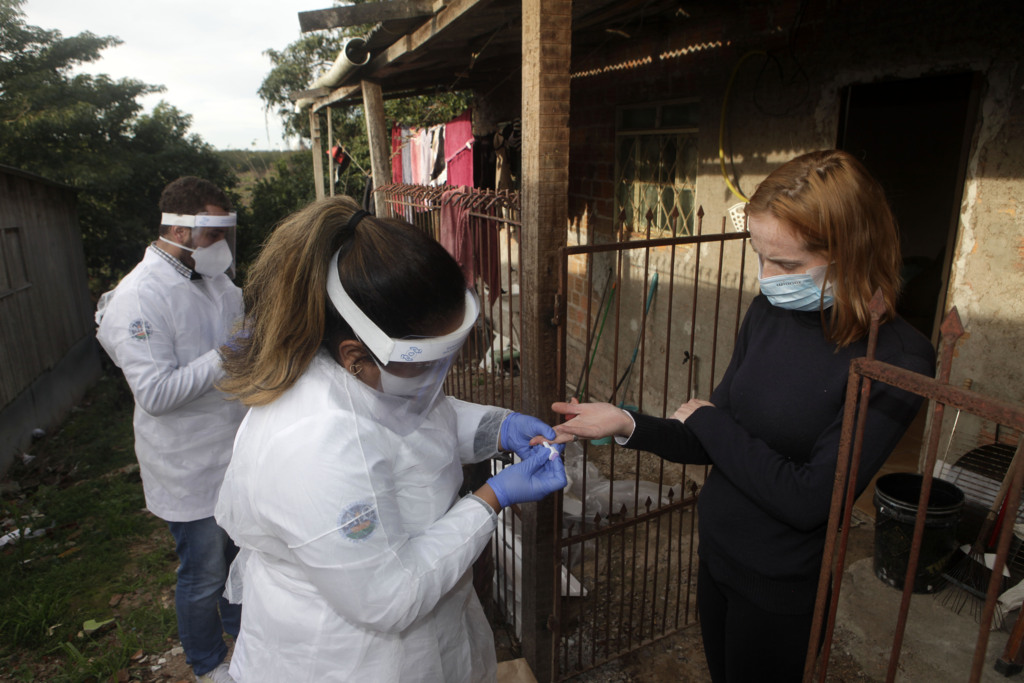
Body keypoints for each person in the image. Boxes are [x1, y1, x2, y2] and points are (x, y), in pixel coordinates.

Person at [547, 150, 936, 682]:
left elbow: (809, 499)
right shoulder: (770, 311)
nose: (768, 277)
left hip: (780, 587)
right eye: (760, 255)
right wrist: (625, 422)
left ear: (854, 253)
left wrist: (710, 423)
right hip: (718, 554)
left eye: (789, 265)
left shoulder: (894, 358)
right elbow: (709, 439)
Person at [213, 196, 567, 682]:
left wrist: (497, 427)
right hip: (343, 658)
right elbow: (388, 596)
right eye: (430, 363)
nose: (444, 376)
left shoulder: (352, 374)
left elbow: (408, 420)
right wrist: (492, 498)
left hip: (427, 628)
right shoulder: (313, 444)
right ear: (356, 354)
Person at [95, 177, 245, 683]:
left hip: (234, 451)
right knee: (203, 574)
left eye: (226, 233)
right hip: (188, 466)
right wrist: (229, 355)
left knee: (239, 561)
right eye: (212, 234)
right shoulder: (139, 298)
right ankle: (207, 665)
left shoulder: (215, 282)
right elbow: (156, 395)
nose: (220, 246)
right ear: (179, 228)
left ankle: (246, 642)